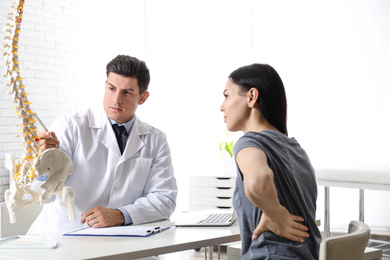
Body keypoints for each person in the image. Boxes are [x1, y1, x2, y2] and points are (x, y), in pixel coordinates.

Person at [28, 55, 177, 234]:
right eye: (111, 88)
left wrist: (120, 215)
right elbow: (41, 195)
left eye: (127, 92)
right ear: (105, 85)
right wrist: (45, 163)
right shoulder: (70, 126)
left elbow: (164, 199)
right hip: (63, 235)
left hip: (122, 238)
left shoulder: (155, 139)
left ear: (142, 98)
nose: (116, 99)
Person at [220, 64, 321, 259]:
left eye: (226, 95)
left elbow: (258, 180)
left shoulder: (249, 143)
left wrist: (274, 211)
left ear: (251, 97)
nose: (221, 106)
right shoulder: (296, 150)